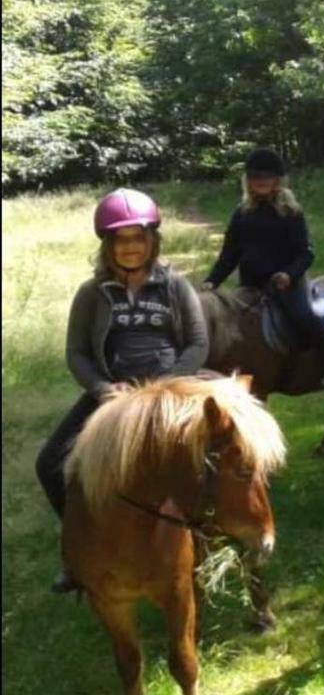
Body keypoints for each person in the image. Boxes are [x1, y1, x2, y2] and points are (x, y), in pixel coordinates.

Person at [36, 188, 210, 592]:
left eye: (138, 238)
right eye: (121, 239)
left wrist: (167, 385)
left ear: (152, 241)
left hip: (171, 389)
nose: (131, 247)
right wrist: (101, 389)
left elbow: (198, 344)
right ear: (108, 245)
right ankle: (76, 549)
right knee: (50, 465)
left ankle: (224, 537)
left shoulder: (175, 286)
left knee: (224, 456)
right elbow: (76, 353)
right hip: (113, 396)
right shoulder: (91, 294)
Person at [202, 148, 324, 388]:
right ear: (248, 181)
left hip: (287, 282)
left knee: (303, 315)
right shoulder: (241, 214)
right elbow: (229, 254)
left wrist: (288, 275)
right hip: (251, 284)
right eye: (255, 177)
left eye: (266, 177)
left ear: (277, 180)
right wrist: (212, 280)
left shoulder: (291, 212)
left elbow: (306, 252)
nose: (261, 182)